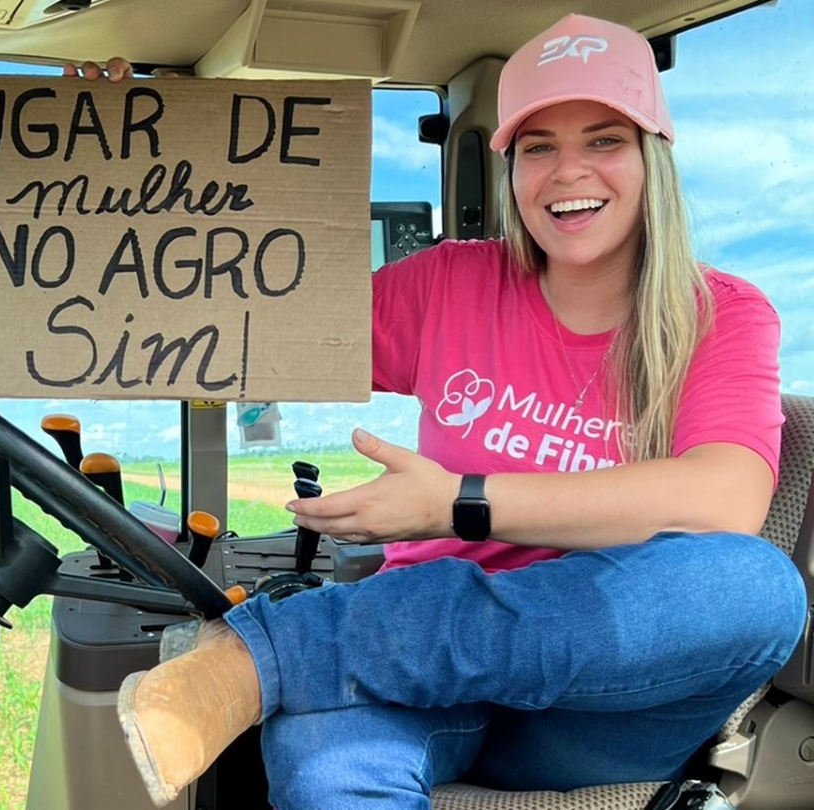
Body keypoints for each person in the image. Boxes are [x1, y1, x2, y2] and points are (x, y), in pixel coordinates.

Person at [72, 13, 807, 809]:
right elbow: (246, 318)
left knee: (754, 589)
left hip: (602, 700)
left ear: (652, 156)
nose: (569, 172)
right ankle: (300, 657)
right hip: (418, 677)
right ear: (511, 169)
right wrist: (126, 169)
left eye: (604, 140)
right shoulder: (448, 285)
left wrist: (455, 500)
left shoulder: (721, 313)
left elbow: (722, 500)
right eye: (538, 147)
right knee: (323, 753)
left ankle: (272, 653)